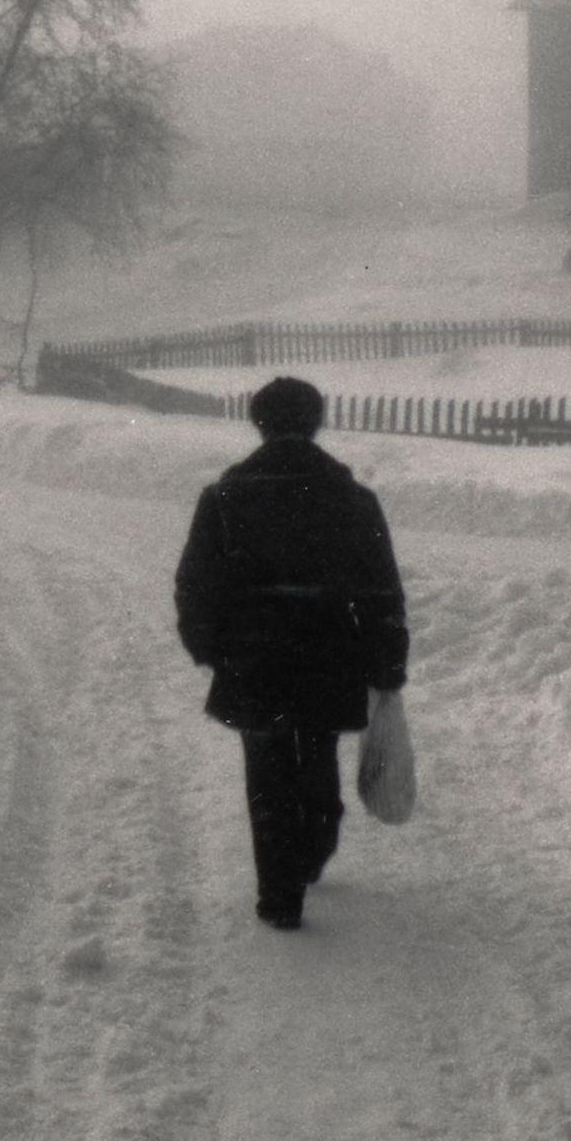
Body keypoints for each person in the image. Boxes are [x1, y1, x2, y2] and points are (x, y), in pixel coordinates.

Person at [172, 375, 406, 929]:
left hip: (253, 657)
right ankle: (316, 843)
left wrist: (208, 647)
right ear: (315, 421)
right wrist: (386, 660)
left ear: (259, 423)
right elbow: (381, 589)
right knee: (317, 755)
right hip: (330, 650)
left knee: (267, 771)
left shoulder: (225, 498)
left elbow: (195, 584)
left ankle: (278, 893)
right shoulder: (353, 499)